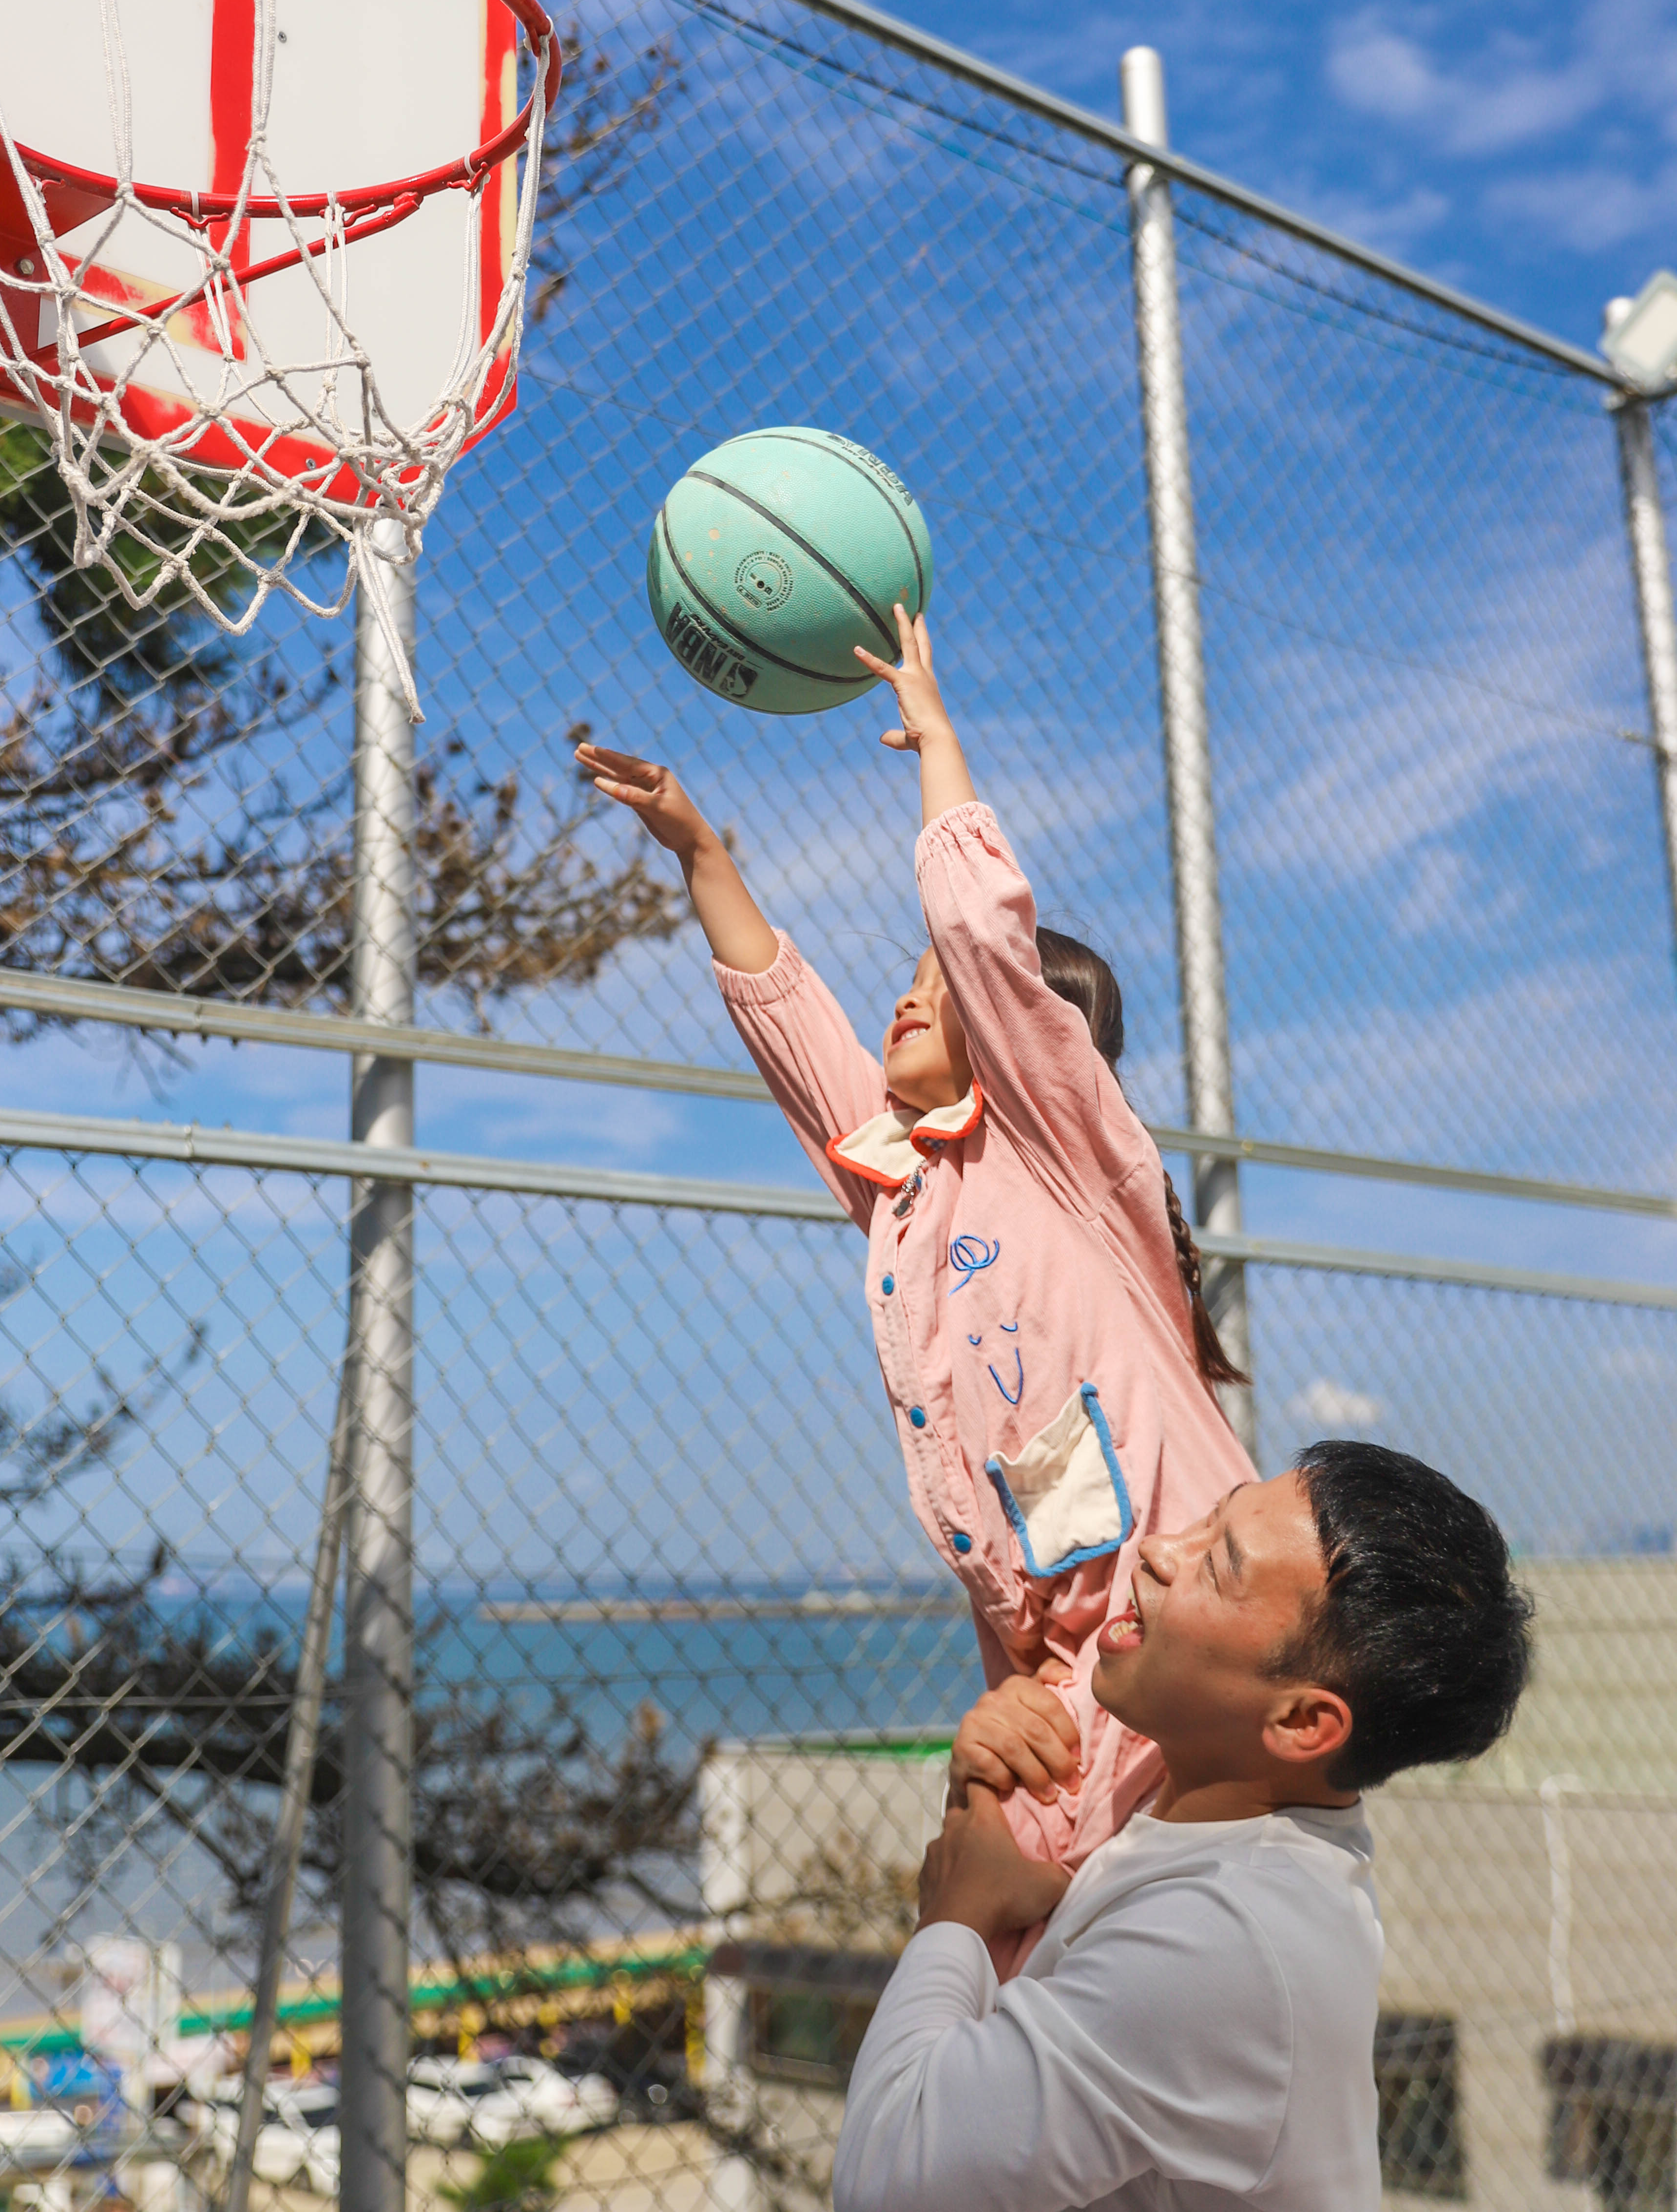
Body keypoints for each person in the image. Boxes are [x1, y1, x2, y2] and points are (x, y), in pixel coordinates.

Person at [577, 607, 1248, 1917]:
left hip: (1197, 1658)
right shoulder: (908, 1186)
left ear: (1025, 1045)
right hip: (1067, 1685)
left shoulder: (1065, 1155)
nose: (914, 994)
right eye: (915, 980)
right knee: (1011, 1966)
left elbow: (990, 942)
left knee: (1119, 1973)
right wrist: (704, 851)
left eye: (941, 988)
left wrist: (936, 744)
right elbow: (799, 1043)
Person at [831, 1440, 1533, 2212]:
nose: (1161, 1549)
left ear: (1303, 1722)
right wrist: (998, 1758)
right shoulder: (1208, 1792)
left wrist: (954, 1916)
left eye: (1219, 1567)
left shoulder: (1225, 1939)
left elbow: (885, 2182)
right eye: (1208, 1519)